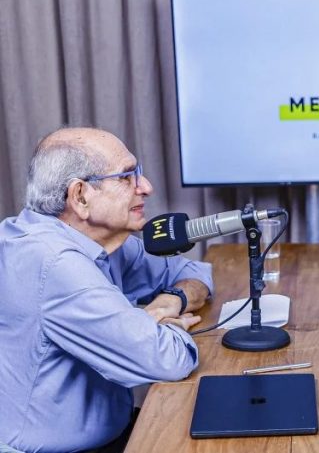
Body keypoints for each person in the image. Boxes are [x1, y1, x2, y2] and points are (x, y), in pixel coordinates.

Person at [0, 128, 214, 453]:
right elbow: (169, 359)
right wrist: (158, 326)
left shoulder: (102, 241)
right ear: (80, 196)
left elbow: (194, 272)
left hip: (114, 432)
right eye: (127, 177)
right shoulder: (54, 263)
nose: (146, 187)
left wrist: (170, 302)